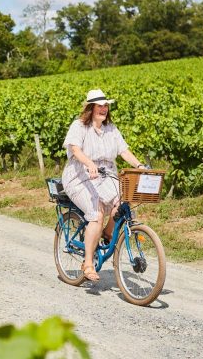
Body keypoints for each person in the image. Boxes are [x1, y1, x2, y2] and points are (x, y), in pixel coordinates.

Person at [61, 89, 146, 282]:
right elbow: (75, 149)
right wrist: (89, 163)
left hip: (105, 176)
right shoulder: (79, 126)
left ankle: (108, 233)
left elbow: (124, 151)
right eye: (99, 105)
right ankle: (88, 263)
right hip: (80, 176)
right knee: (97, 213)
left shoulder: (111, 129)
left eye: (106, 105)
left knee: (124, 203)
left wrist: (140, 166)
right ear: (90, 108)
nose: (104, 109)